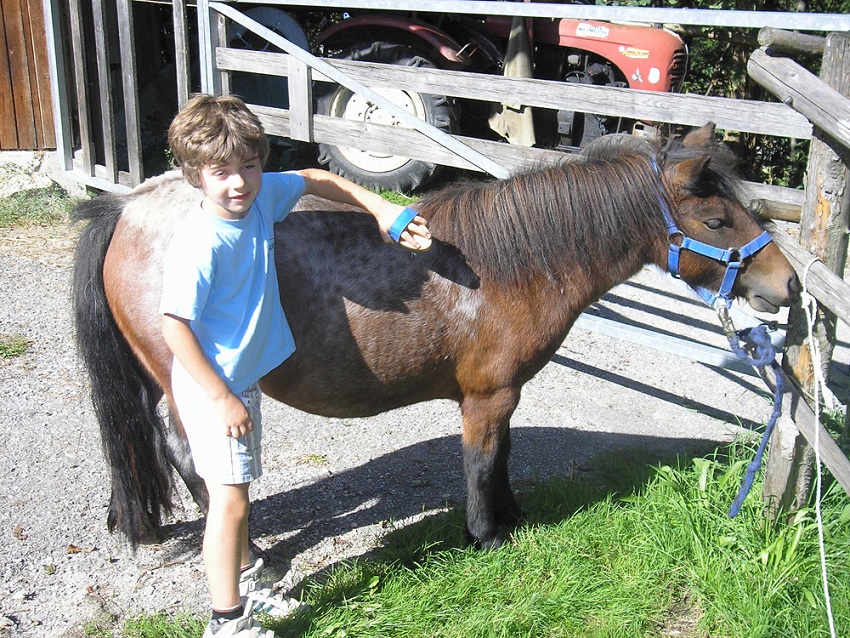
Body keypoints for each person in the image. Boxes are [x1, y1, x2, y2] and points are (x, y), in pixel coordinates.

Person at [160, 93, 431, 638]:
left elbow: (314, 178)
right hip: (212, 386)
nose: (239, 182)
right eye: (221, 173)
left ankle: (245, 584)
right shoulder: (199, 243)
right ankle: (225, 621)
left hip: (237, 381)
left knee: (236, 492)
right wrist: (221, 397)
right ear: (194, 175)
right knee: (229, 503)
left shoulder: (258, 201)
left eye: (250, 166)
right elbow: (174, 327)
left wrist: (383, 209)